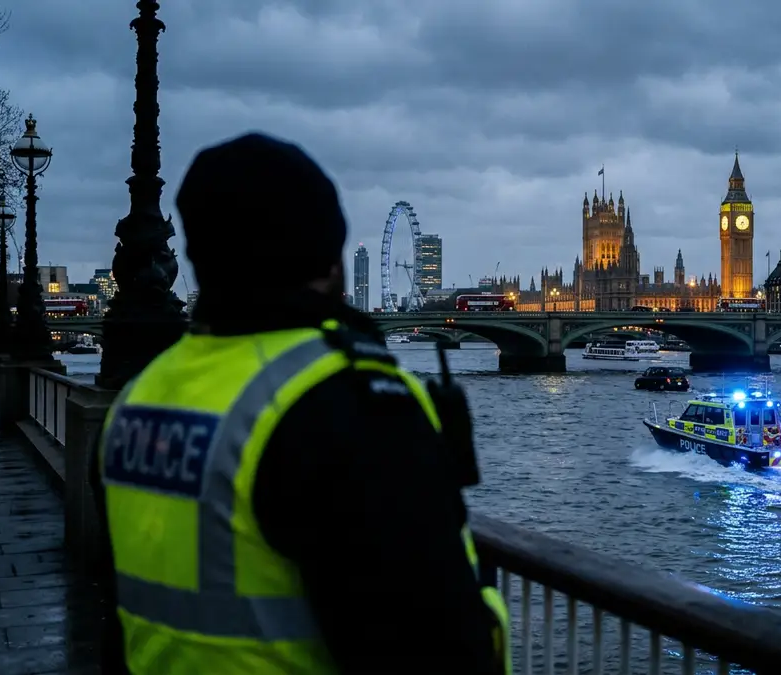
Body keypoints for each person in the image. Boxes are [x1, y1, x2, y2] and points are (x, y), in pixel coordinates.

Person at [89, 132, 510, 674]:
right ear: (329, 259)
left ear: (197, 257)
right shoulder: (348, 404)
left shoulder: (135, 403)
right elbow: (441, 648)